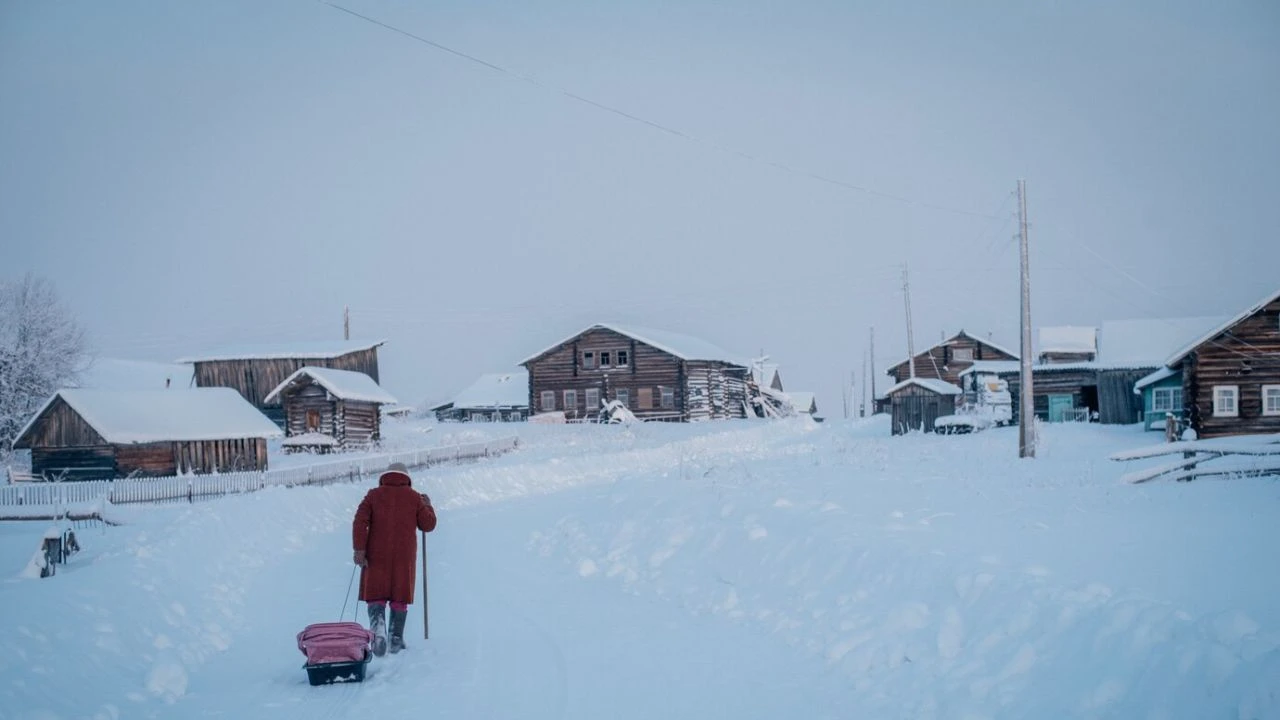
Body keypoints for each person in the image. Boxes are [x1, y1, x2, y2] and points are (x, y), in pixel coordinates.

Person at [353, 461, 437, 655]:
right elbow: (428, 525)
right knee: (400, 594)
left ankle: (378, 628)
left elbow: (359, 520)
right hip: (404, 556)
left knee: (376, 593)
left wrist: (359, 549)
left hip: (376, 554)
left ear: (385, 476)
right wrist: (428, 506)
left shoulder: (373, 495)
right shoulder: (414, 497)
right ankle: (395, 638)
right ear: (406, 478)